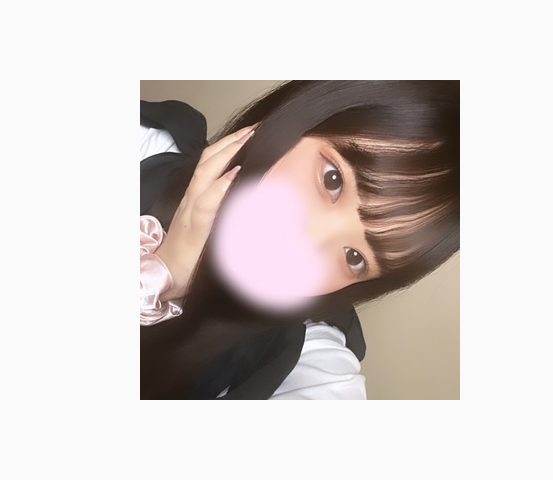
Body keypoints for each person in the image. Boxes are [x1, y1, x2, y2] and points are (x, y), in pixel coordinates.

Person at [140, 81, 460, 399]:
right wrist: (166, 268)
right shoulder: (146, 144)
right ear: (299, 118)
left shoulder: (310, 363)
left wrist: (161, 280)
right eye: (332, 179)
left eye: (354, 257)